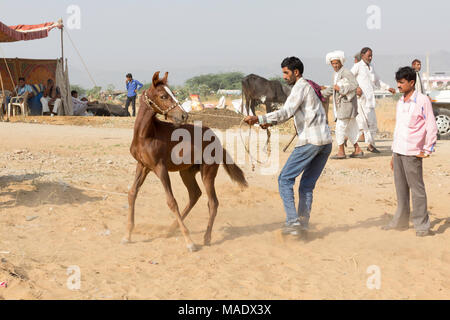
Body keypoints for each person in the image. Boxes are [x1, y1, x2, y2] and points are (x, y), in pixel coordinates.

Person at [243, 57, 332, 235]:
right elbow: (292, 113)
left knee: (284, 180)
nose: (284, 76)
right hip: (326, 142)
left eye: (286, 72)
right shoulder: (307, 87)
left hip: (311, 141)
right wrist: (269, 123)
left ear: (296, 72)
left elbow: (286, 112)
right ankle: (303, 225)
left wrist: (259, 119)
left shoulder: (300, 87)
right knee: (306, 185)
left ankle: (293, 222)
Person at [382, 67, 437, 237]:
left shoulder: (422, 100)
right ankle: (401, 221)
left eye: (401, 82)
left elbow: (431, 126)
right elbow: (398, 129)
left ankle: (421, 226)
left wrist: (427, 149)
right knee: (401, 189)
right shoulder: (401, 102)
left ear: (411, 83)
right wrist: (393, 153)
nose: (398, 85)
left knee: (417, 190)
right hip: (398, 151)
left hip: (413, 152)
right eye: (397, 82)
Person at [351, 47, 396, 153]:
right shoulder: (357, 66)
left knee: (372, 123)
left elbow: (377, 81)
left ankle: (369, 144)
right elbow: (348, 78)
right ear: (362, 56)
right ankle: (368, 145)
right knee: (364, 123)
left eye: (371, 56)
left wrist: (388, 88)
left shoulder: (371, 67)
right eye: (368, 56)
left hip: (370, 100)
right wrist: (356, 88)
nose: (370, 58)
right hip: (360, 100)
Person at [322, 51, 363, 159]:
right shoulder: (336, 74)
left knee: (340, 128)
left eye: (337, 63)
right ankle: (357, 149)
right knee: (350, 129)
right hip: (343, 106)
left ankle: (341, 152)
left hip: (346, 106)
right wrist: (321, 94)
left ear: (341, 62)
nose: (335, 65)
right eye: (333, 63)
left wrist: (341, 89)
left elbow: (355, 85)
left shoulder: (346, 72)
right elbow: (333, 88)